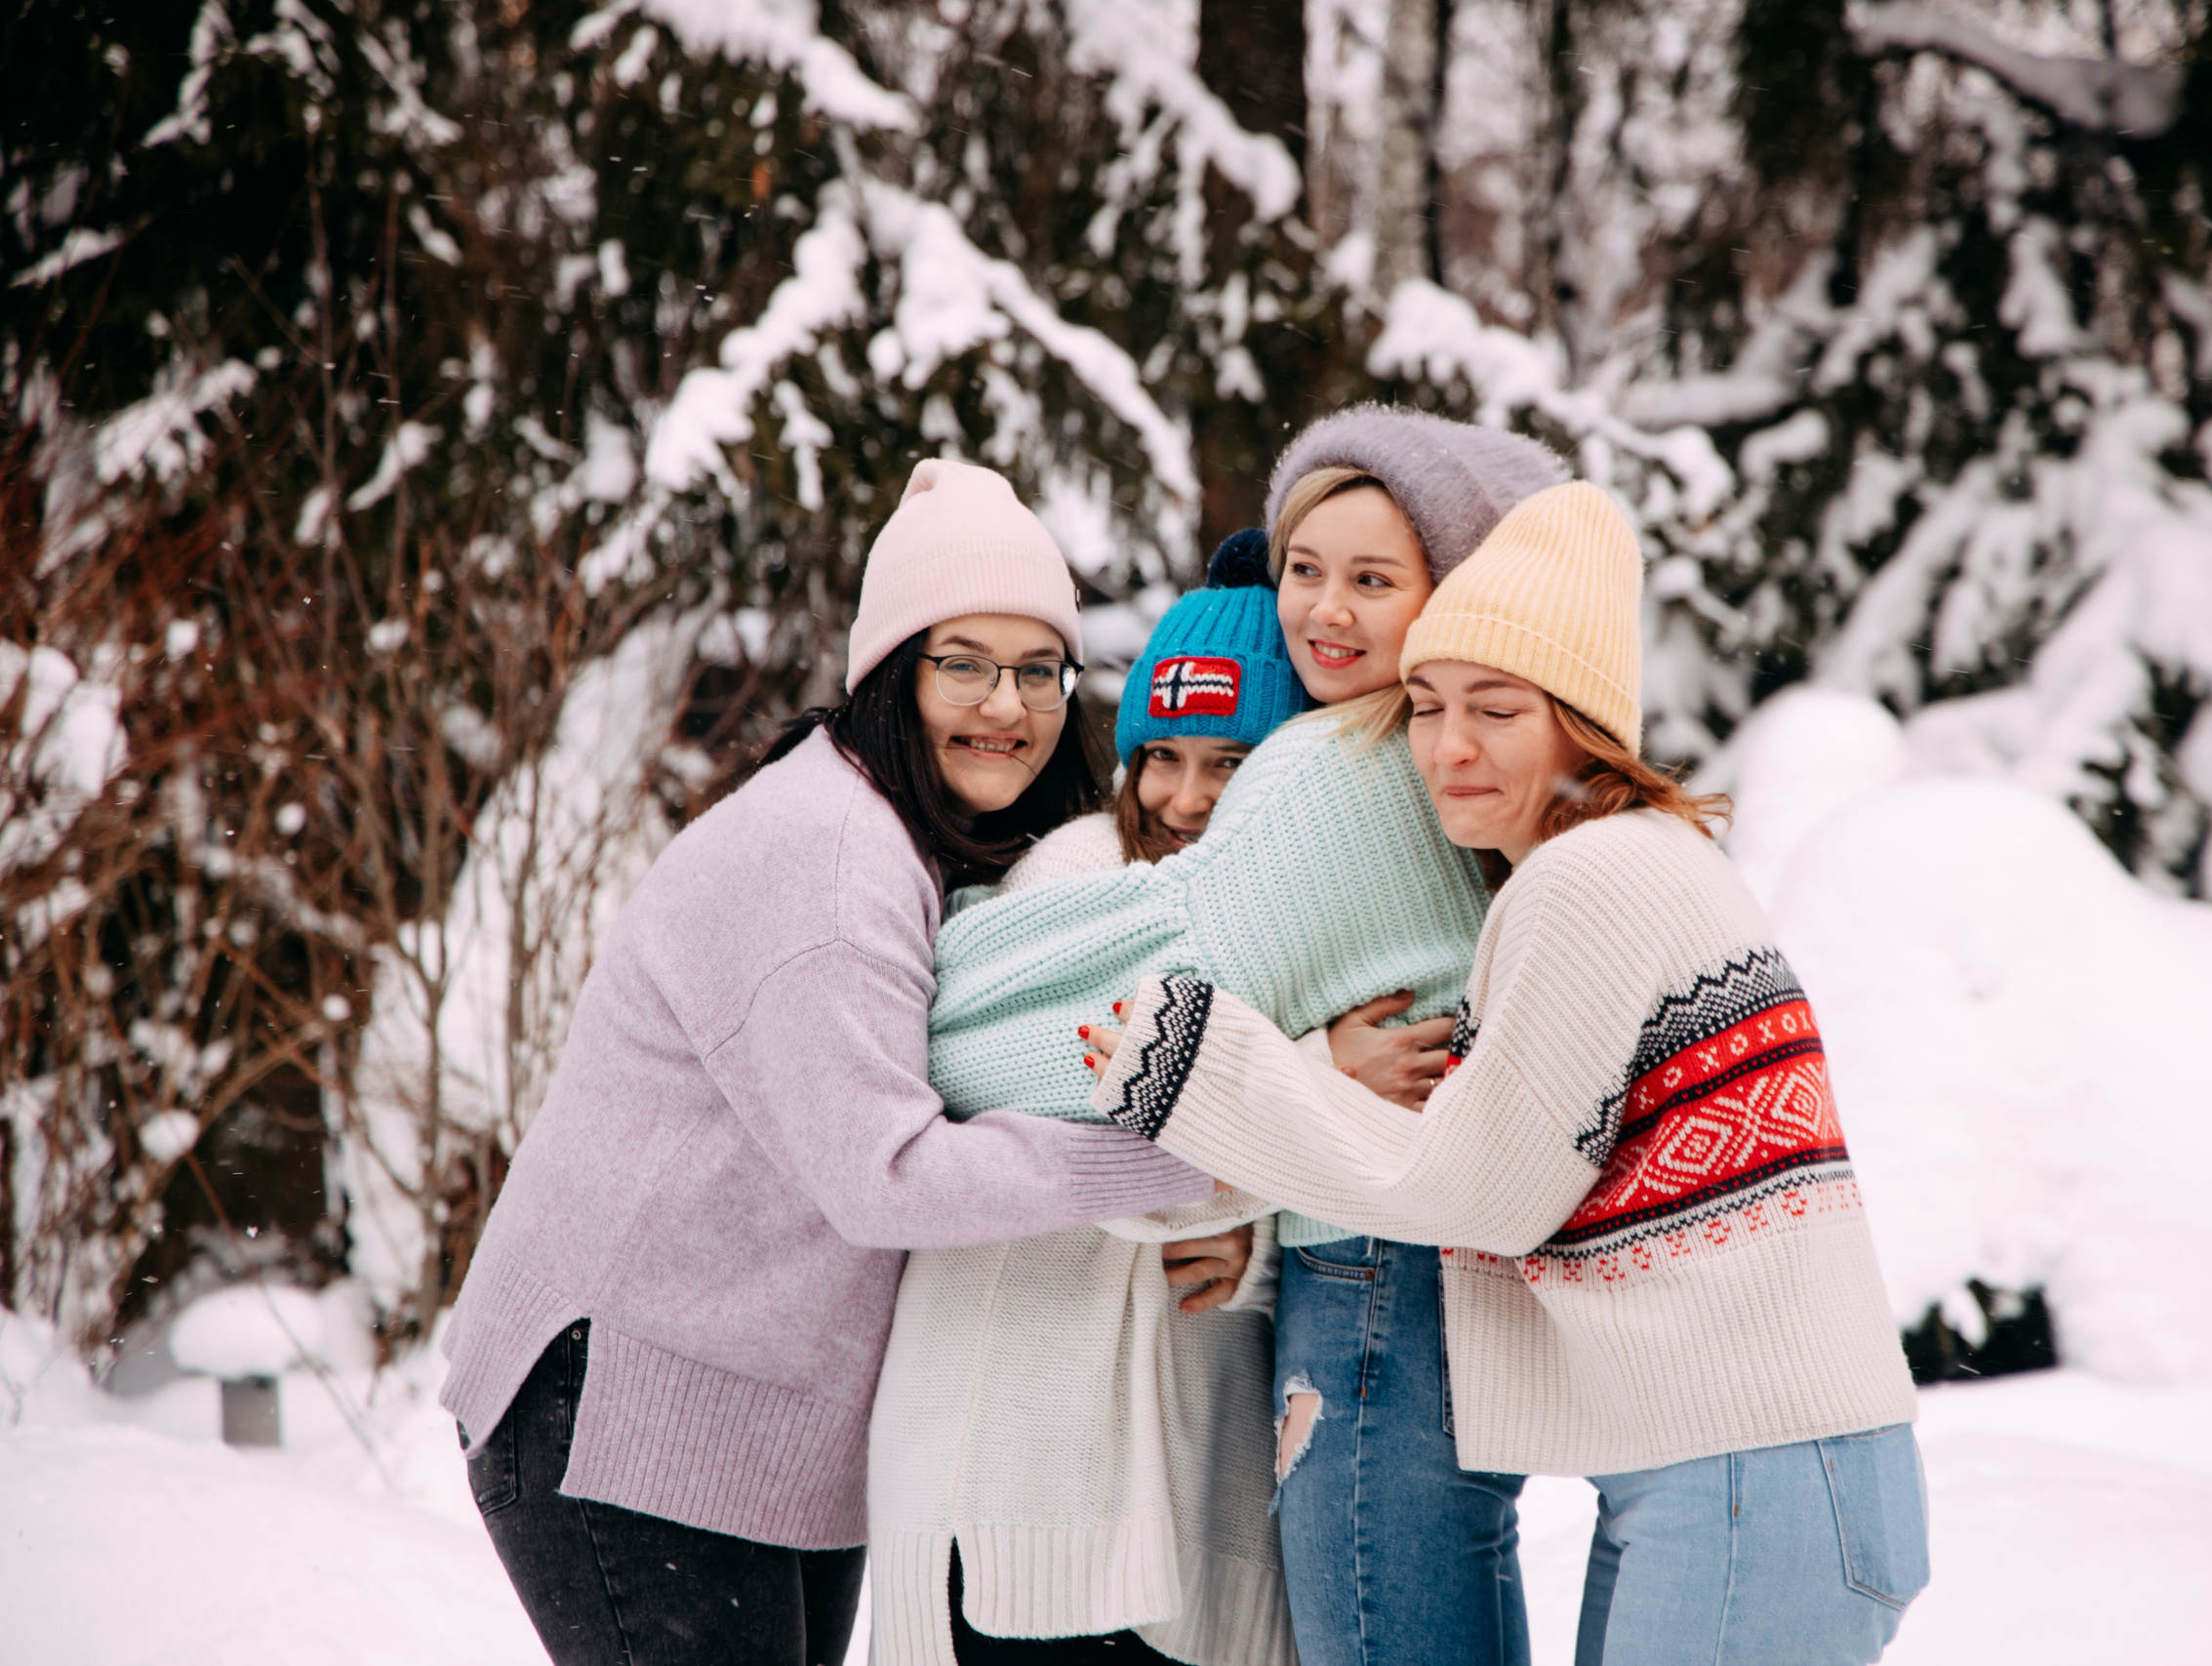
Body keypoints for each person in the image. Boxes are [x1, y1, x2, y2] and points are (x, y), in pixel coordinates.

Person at [1084, 482, 1930, 1666]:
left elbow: (1478, 1191)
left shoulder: (1586, 880)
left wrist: (1209, 1070)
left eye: (1496, 709)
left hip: (1751, 1479)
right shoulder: (1627, 861)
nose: (1448, 748)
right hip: (1742, 1473)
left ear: (1581, 724)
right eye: (1426, 705)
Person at [439, 459, 1216, 1666]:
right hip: (623, 1407)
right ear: (891, 674)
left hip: (759, 1422)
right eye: (963, 663)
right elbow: (887, 1176)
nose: (1006, 705)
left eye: (1038, 669)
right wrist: (1187, 1154)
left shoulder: (927, 840)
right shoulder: (833, 863)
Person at [918, 408, 1569, 1666]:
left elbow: (1113, 1033)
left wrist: (927, 983)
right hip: (1295, 1326)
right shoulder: (1440, 761)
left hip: (1352, 1296)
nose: (1324, 608)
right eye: (1303, 570)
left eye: (1372, 579)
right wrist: (1287, 1109)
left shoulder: (1340, 769)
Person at [869, 530, 1309, 1666]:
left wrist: (1255, 1242)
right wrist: (1309, 1098)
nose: (1184, 797)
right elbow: (1113, 1127)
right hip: (1017, 1479)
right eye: (1162, 756)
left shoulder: (1295, 921)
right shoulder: (1081, 879)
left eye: (1230, 763)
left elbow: (1267, 1193)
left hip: (1161, 1496)